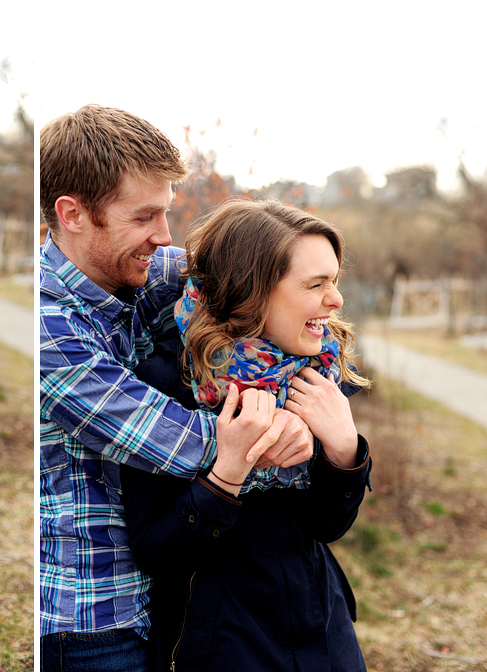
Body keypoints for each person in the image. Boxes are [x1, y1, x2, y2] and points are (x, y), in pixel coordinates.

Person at [39, 105, 315, 672]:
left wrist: (315, 374)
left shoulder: (144, 273)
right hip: (90, 623)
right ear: (72, 214)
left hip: (168, 604)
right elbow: (184, 442)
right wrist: (313, 442)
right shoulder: (47, 327)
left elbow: (274, 289)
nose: (163, 238)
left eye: (165, 213)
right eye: (144, 217)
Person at [121, 199, 373, 671]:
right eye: (316, 284)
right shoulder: (167, 382)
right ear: (251, 292)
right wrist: (228, 472)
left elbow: (326, 526)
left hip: (325, 635)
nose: (336, 300)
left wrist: (345, 451)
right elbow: (156, 552)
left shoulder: (317, 376)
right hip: (218, 643)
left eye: (335, 281)